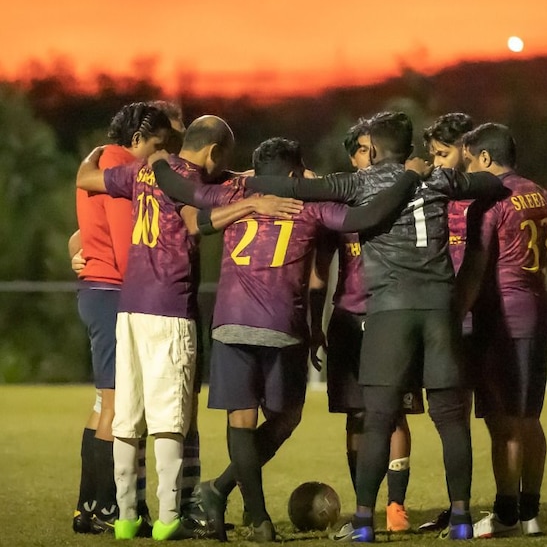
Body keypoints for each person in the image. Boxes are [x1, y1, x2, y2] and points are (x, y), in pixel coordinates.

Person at [201, 110, 508, 543]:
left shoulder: (357, 184)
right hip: (440, 309)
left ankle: (363, 523)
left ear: (376, 149)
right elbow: (493, 183)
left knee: (377, 419)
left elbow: (290, 187)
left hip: (388, 311)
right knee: (451, 419)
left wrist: (249, 183)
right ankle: (461, 518)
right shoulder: (440, 181)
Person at [160, 136, 431, 542]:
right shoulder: (309, 207)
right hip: (282, 326)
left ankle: (250, 514)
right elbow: (367, 216)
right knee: (285, 419)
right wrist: (409, 178)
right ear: (292, 173)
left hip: (232, 321)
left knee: (241, 421)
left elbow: (187, 195)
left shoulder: (234, 193)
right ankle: (232, 502)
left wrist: (161, 162)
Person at [76, 115, 298, 540]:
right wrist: (252, 203)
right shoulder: (197, 187)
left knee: (128, 416)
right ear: (214, 152)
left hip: (130, 309)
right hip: (169, 308)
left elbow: (87, 177)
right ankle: (168, 518)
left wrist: (95, 152)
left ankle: (124, 518)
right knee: (170, 418)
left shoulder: (144, 171)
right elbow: (200, 221)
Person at [455, 123, 547, 538]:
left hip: (500, 318)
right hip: (535, 308)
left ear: (486, 159)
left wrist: (452, 314)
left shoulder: (490, 199)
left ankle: (506, 514)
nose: (470, 168)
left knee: (502, 421)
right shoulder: (539, 193)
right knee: (529, 418)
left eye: (471, 160)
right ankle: (530, 513)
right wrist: (543, 265)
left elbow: (475, 270)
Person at [71, 102, 176, 535]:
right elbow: (122, 241)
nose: (158, 156)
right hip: (113, 291)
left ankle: (90, 506)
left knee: (104, 404)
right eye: (155, 146)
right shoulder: (117, 163)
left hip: (98, 290)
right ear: (137, 140)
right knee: (118, 406)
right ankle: (108, 507)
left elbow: (84, 234)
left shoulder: (100, 159)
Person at [319, 119, 423, 533]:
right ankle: (365, 504)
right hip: (348, 315)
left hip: (392, 315)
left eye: (372, 148)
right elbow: (317, 270)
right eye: (361, 150)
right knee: (355, 415)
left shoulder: (408, 195)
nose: (369, 156)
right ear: (353, 157)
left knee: (396, 413)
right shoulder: (342, 203)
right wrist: (315, 323)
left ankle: (396, 507)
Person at [416, 112, 477, 534]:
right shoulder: (438, 192)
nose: (437, 162)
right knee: (451, 418)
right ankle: (460, 509)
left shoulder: (486, 194)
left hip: (470, 318)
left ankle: (474, 510)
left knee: (459, 417)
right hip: (445, 316)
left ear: (468, 151)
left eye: (444, 153)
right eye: (433, 154)